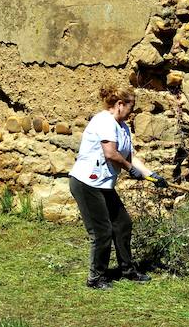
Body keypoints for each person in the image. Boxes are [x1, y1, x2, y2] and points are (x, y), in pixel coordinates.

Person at [69, 83, 168, 290]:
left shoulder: (122, 127)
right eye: (131, 108)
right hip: (87, 183)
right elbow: (111, 153)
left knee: (122, 224)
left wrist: (152, 176)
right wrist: (129, 169)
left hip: (103, 185)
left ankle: (127, 270)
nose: (132, 113)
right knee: (102, 231)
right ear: (120, 104)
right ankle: (95, 278)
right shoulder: (104, 121)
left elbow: (130, 156)